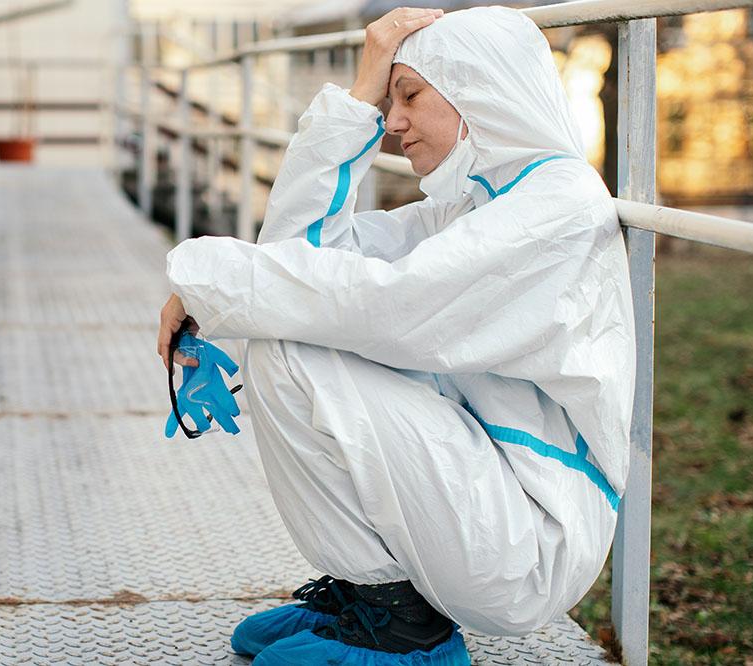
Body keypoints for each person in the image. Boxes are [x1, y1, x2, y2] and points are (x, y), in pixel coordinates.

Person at [156, 5, 636, 665]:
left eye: (407, 95)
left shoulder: (552, 210)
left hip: (528, 536)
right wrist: (356, 101)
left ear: (480, 88)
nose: (393, 121)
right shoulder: (474, 207)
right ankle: (372, 597)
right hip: (483, 497)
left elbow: (383, 304)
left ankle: (409, 635)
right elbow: (306, 247)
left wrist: (207, 280)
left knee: (296, 342)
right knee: (286, 333)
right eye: (388, 100)